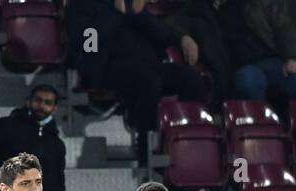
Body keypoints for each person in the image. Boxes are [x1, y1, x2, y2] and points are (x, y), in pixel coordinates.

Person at [64, 0, 206, 150]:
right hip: (108, 68)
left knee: (192, 80)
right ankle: (146, 143)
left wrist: (181, 38)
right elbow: (87, 43)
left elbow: (163, 36)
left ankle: (183, 139)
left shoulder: (133, 5)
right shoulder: (81, 5)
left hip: (148, 66)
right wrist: (117, 14)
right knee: (150, 81)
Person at [0, 85, 88, 191]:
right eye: (38, 100)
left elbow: (59, 185)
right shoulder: (5, 126)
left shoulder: (56, 143)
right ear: (29, 101)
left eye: (47, 103)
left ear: (54, 108)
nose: (41, 106)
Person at [214, 0, 296, 102]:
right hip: (244, 65)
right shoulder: (217, 11)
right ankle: (263, 116)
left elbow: (284, 28)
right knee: (248, 84)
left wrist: (293, 57)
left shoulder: (259, 4)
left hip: (273, 59)